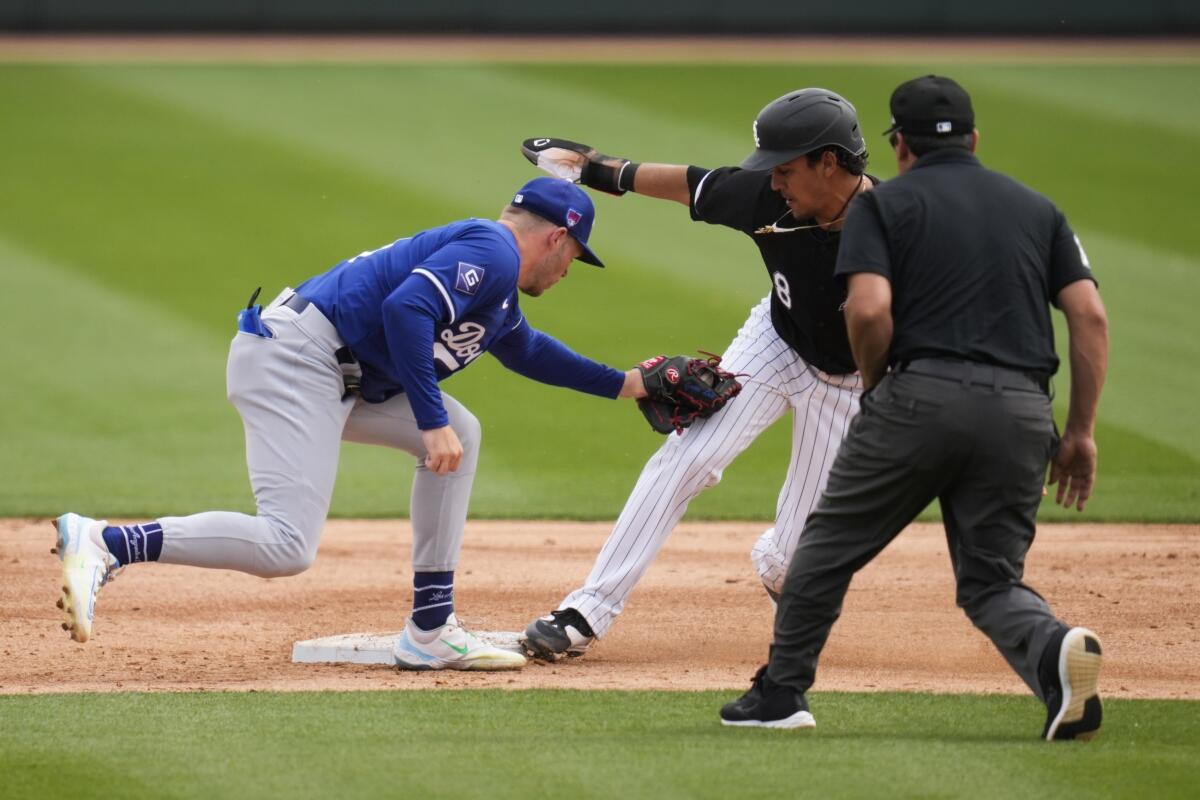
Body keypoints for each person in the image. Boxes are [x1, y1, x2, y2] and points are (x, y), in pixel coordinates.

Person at [54, 176, 650, 672]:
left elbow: (530, 352)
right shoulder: (493, 252)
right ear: (556, 237)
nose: (571, 268)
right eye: (575, 254)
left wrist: (628, 384)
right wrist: (428, 416)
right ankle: (108, 543)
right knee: (287, 544)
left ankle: (430, 628)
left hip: (327, 372)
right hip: (297, 363)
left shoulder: (496, 291)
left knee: (461, 432)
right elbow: (407, 307)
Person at [719, 75, 1108, 741]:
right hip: (1021, 413)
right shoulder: (1039, 210)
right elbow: (1090, 317)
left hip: (921, 398)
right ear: (976, 139)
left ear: (898, 146)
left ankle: (781, 694)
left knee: (823, 552)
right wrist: (1079, 433)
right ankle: (1052, 654)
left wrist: (876, 388)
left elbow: (867, 309)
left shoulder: (883, 206)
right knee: (989, 581)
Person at [520, 89, 879, 659]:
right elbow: (690, 183)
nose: (775, 182)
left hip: (854, 384)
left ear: (829, 162)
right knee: (689, 456)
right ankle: (586, 611)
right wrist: (590, 167)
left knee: (791, 567)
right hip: (777, 342)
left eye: (786, 168)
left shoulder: (901, 230)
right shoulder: (768, 197)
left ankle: (778, 567)